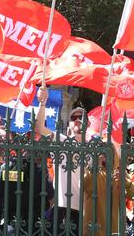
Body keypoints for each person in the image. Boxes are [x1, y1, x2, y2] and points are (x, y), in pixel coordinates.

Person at [35, 88, 85, 233]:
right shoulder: (62, 141)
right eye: (73, 118)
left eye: (81, 117)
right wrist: (42, 103)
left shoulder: (94, 146)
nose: (77, 121)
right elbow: (39, 127)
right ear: (69, 125)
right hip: (63, 208)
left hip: (86, 209)